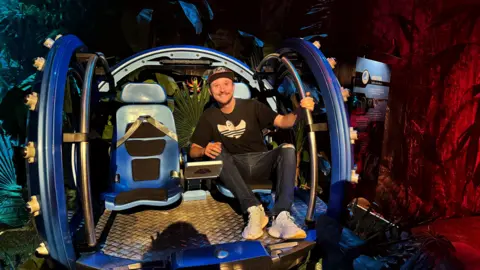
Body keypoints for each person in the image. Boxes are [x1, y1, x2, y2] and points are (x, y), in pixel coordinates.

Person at [189, 67, 315, 240]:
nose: (222, 89)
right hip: (234, 169)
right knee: (216, 152)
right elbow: (193, 150)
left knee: (287, 149)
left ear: (233, 87)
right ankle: (254, 210)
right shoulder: (209, 116)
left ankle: (281, 217)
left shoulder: (252, 106)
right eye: (216, 86)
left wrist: (300, 111)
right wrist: (204, 149)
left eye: (226, 83)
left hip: (261, 164)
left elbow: (283, 121)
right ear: (211, 91)